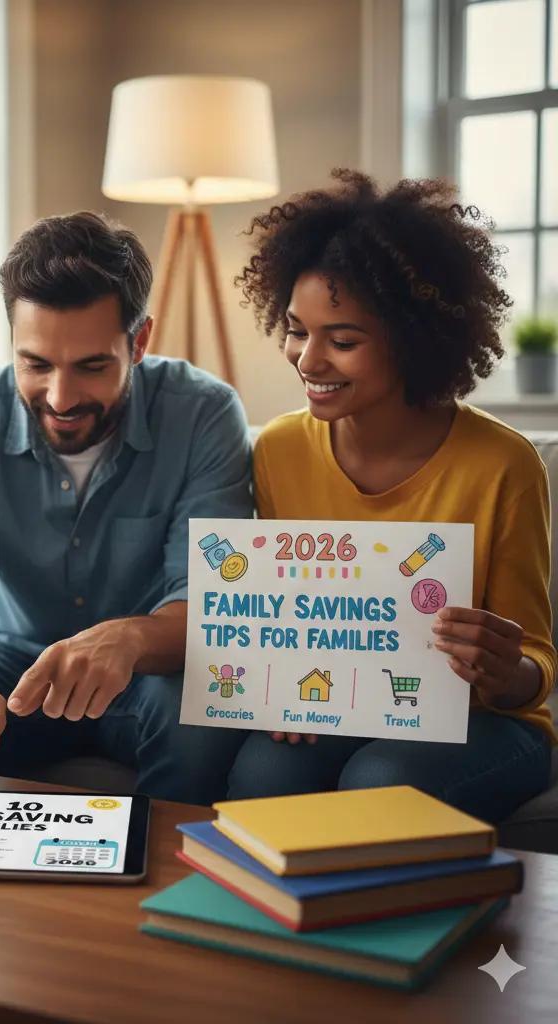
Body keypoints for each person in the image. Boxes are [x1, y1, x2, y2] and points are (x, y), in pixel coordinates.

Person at [0, 211, 254, 805]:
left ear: (139, 341)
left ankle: (167, 886)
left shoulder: (204, 415)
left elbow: (209, 598)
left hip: (150, 676)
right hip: (10, 667)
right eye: (36, 364)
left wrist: (127, 639)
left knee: (201, 713)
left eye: (92, 366)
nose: (61, 398)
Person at [226, 169, 555, 822]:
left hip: (488, 722)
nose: (307, 360)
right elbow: (282, 617)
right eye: (296, 330)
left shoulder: (502, 465)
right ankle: (262, 926)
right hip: (348, 703)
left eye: (342, 341)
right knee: (265, 771)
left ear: (414, 341)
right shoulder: (278, 450)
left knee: (383, 779)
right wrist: (281, 693)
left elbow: (535, 667)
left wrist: (502, 665)